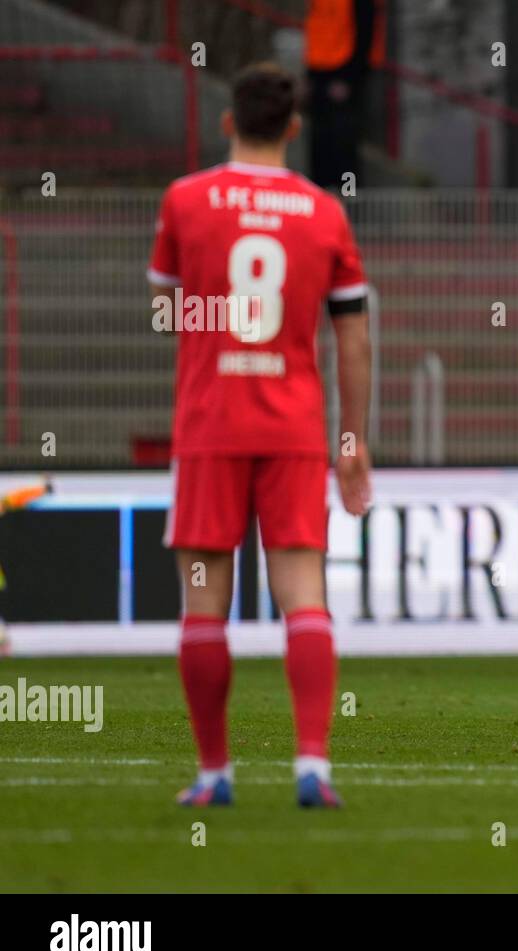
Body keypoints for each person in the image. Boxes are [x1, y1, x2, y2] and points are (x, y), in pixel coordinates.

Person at [148, 63, 372, 808]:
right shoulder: (321, 213)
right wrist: (352, 442)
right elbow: (354, 339)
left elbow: (165, 312)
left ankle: (215, 775)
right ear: (296, 128)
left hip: (211, 423)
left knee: (204, 601)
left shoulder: (187, 200)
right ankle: (312, 764)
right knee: (303, 593)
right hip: (294, 427)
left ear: (226, 123)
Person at [304, 0, 385, 190]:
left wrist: (350, 78)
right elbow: (316, 29)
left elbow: (365, 30)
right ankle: (321, 198)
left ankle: (350, 196)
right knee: (319, 142)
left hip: (345, 72)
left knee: (345, 143)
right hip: (320, 71)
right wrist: (310, 76)